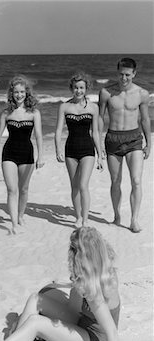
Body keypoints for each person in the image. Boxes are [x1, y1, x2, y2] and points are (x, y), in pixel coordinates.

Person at [98, 57, 151, 233]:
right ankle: (116, 216)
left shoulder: (142, 94)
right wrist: (97, 141)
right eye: (121, 74)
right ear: (117, 72)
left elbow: (145, 119)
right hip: (113, 139)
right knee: (115, 181)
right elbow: (99, 118)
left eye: (128, 75)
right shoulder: (106, 92)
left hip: (134, 139)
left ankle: (134, 220)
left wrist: (149, 143)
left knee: (136, 180)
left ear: (134, 73)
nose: (124, 78)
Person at [0, 75, 44, 234]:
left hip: (27, 154)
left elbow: (38, 135)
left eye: (22, 91)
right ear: (11, 93)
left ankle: (20, 215)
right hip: (9, 153)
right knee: (11, 189)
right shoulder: (6, 113)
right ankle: (14, 224)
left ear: (27, 93)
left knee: (23, 189)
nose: (19, 95)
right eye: (16, 92)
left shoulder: (34, 113)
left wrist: (41, 156)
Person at [55, 72, 103, 228]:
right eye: (76, 87)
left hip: (88, 150)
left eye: (81, 87)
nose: (78, 91)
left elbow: (95, 132)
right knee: (74, 185)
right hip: (71, 150)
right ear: (71, 88)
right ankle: (77, 217)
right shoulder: (64, 106)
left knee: (83, 185)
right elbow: (58, 131)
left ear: (86, 88)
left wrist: (100, 155)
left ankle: (86, 219)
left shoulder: (93, 108)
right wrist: (57, 150)